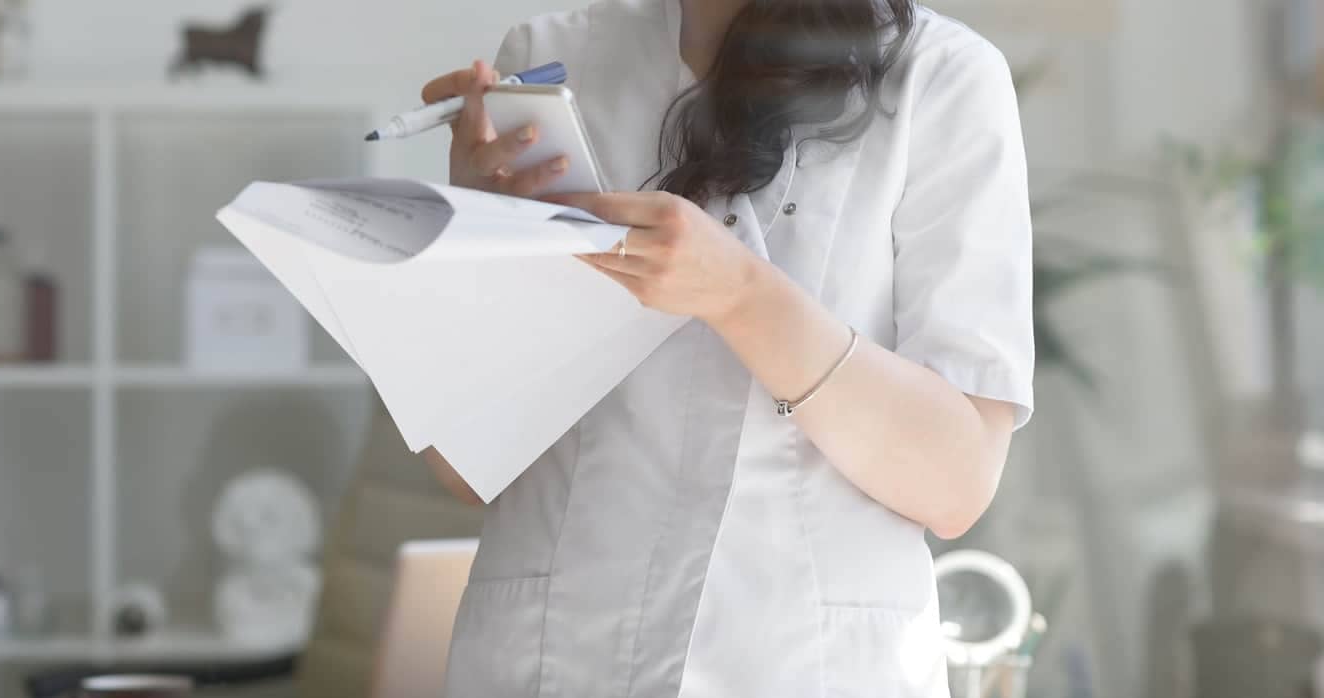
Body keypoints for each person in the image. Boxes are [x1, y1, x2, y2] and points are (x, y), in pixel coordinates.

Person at [417, 0, 1034, 696]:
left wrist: (743, 296)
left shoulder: (941, 77)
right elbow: (466, 469)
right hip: (550, 662)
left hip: (804, 666)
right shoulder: (551, 53)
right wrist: (475, 233)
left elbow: (956, 482)